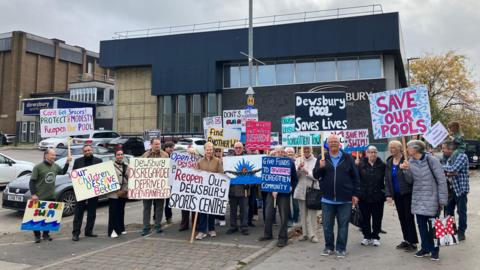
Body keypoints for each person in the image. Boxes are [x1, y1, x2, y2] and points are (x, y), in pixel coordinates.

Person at [313, 134, 360, 258]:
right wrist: (320, 167)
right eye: (331, 142)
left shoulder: (348, 157)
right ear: (327, 144)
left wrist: (355, 194)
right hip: (327, 199)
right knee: (327, 226)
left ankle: (341, 248)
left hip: (345, 199)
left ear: (339, 144)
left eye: (335, 141)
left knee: (343, 226)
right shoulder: (322, 157)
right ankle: (329, 247)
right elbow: (316, 175)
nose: (333, 143)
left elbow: (356, 177)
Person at [402, 140, 448, 261]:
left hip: (433, 198)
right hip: (418, 198)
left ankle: (435, 250)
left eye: (408, 148)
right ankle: (425, 248)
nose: (406, 150)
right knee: (421, 225)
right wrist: (406, 170)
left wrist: (442, 200)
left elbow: (441, 180)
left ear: (415, 149)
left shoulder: (431, 160)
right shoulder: (410, 161)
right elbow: (410, 181)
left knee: (433, 226)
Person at [259, 145, 299, 247]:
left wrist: (291, 187)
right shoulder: (269, 161)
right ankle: (267, 234)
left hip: (284, 194)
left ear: (284, 153)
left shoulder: (290, 162)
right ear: (275, 152)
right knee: (268, 214)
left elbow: (295, 179)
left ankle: (283, 238)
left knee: (284, 216)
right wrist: (271, 189)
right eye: (278, 152)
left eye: (282, 152)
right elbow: (266, 177)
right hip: (271, 193)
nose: (280, 153)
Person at [30, 148, 71, 243]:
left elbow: (63, 172)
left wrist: (67, 162)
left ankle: (46, 234)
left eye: (55, 155)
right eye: (52, 155)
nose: (54, 157)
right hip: (39, 197)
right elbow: (32, 182)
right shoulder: (38, 167)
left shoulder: (55, 166)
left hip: (51, 196)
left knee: (48, 217)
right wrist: (33, 194)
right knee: (37, 218)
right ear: (46, 155)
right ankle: (37, 236)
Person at [384, 140, 418, 251]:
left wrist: (407, 169)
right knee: (402, 217)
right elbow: (388, 180)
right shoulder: (389, 161)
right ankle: (406, 239)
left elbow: (411, 179)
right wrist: (388, 194)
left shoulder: (407, 160)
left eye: (394, 147)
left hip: (407, 193)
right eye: (390, 147)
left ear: (400, 148)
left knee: (409, 218)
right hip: (397, 194)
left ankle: (413, 242)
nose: (391, 149)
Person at [355, 145, 385, 246]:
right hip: (364, 196)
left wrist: (386, 193)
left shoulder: (382, 165)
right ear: (366, 153)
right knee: (364, 217)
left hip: (378, 196)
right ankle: (367, 236)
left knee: (377, 217)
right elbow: (355, 179)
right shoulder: (360, 165)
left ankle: (375, 236)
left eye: (374, 152)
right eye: (370, 152)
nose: (372, 154)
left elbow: (387, 180)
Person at [72, 144, 103, 241]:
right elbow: (74, 174)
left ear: (92, 150)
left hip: (93, 191)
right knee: (78, 213)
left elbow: (101, 176)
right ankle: (76, 233)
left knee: (92, 212)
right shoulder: (78, 161)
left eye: (89, 150)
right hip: (81, 191)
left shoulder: (99, 161)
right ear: (83, 152)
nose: (88, 152)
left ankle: (89, 231)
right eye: (85, 151)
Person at [195, 142, 224, 240]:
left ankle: (211, 229)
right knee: (202, 212)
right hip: (203, 190)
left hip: (213, 190)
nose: (209, 151)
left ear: (213, 150)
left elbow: (221, 173)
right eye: (207, 149)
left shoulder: (218, 161)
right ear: (204, 150)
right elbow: (196, 174)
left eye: (211, 149)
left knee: (212, 210)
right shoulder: (199, 162)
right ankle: (202, 231)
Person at [442, 140, 469, 241]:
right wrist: (450, 172)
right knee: (448, 211)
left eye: (444, 148)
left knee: (461, 212)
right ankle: (451, 230)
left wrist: (442, 168)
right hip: (450, 188)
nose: (443, 150)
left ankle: (461, 232)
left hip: (460, 189)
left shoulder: (462, 156)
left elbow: (453, 168)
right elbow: (449, 171)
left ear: (450, 149)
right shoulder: (449, 158)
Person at [141, 138, 169, 236]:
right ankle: (146, 227)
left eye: (159, 144)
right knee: (146, 208)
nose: (158, 146)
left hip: (160, 186)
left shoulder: (165, 155)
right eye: (156, 144)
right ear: (151, 145)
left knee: (159, 207)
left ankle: (158, 225)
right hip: (147, 186)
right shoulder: (145, 155)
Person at [293, 146, 319, 243]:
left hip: (312, 190)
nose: (306, 150)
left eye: (308, 149)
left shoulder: (316, 161)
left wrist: (307, 171)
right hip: (301, 190)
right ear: (301, 150)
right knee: (303, 214)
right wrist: (298, 169)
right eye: (304, 149)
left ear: (311, 150)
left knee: (312, 214)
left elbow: (317, 177)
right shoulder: (298, 160)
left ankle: (313, 235)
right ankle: (304, 234)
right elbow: (295, 176)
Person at [226, 142, 250, 236]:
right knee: (233, 210)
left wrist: (249, 185)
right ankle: (233, 226)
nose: (238, 149)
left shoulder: (248, 159)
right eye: (236, 148)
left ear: (243, 148)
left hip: (244, 189)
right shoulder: (229, 159)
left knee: (244, 210)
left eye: (240, 147)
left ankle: (244, 227)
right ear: (234, 148)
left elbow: (253, 175)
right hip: (232, 189)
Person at [107, 149, 129, 238]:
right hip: (113, 193)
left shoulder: (127, 166)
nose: (120, 156)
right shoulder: (110, 166)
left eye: (121, 154)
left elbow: (130, 179)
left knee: (121, 211)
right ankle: (112, 230)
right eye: (118, 154)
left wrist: (125, 190)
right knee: (113, 212)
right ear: (115, 156)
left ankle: (120, 228)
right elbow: (108, 180)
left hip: (123, 191)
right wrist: (117, 191)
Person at [285, 147, 299, 226]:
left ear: (294, 153)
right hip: (286, 185)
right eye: (288, 152)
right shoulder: (283, 162)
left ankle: (296, 219)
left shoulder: (298, 161)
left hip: (295, 185)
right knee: (286, 205)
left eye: (291, 152)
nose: (290, 153)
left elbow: (295, 176)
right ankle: (289, 220)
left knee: (296, 205)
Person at [163, 141, 175, 225]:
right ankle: (156, 218)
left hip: (170, 182)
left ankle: (169, 217)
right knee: (158, 202)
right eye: (170, 147)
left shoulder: (174, 157)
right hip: (161, 182)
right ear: (165, 148)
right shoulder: (162, 156)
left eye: (172, 147)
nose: (171, 149)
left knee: (168, 201)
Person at [214, 147, 227, 227]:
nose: (218, 152)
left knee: (222, 202)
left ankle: (222, 218)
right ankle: (216, 217)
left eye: (219, 151)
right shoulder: (213, 160)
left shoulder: (225, 160)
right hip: (214, 183)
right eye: (217, 151)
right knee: (215, 202)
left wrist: (222, 162)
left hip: (223, 183)